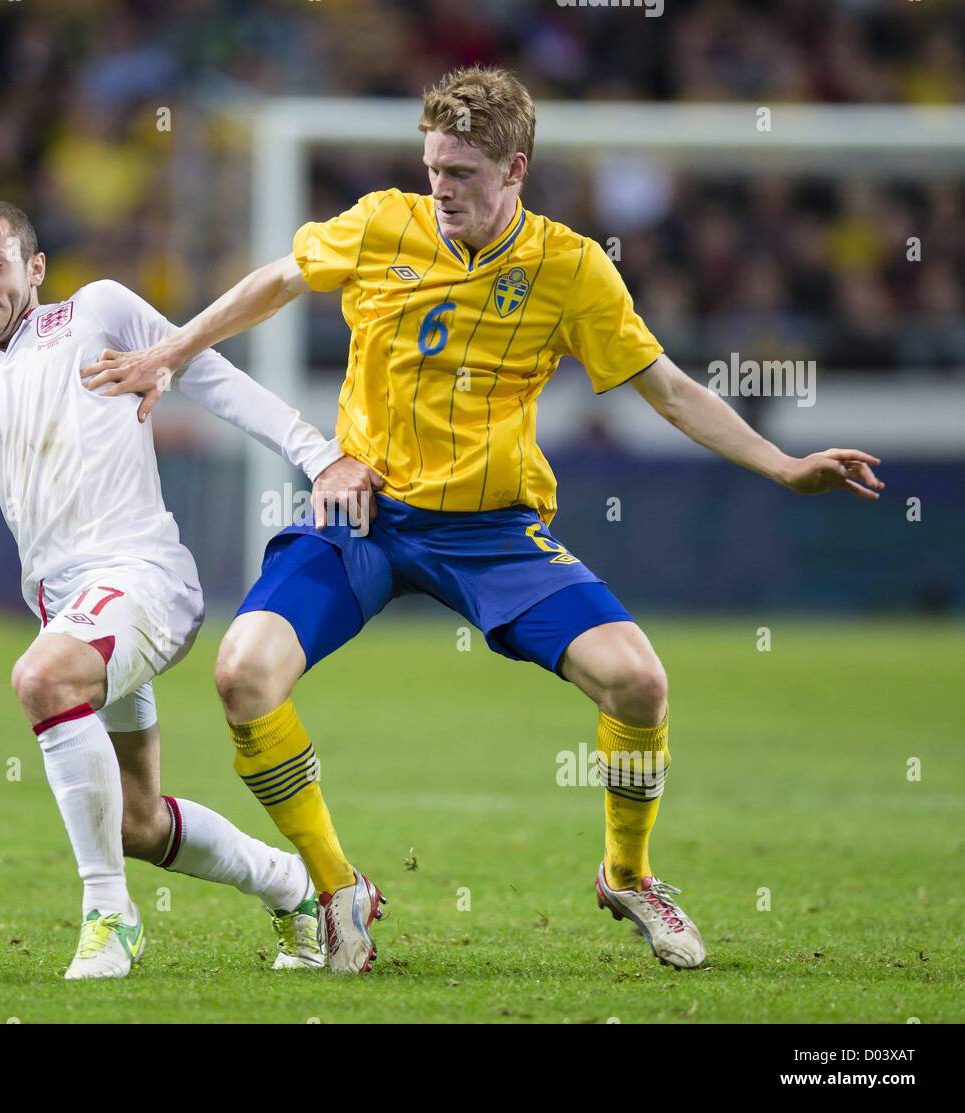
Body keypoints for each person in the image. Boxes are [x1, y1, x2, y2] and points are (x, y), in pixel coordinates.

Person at [82, 67, 884, 974]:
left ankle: (628, 873)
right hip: (366, 515)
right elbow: (278, 279)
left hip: (490, 529)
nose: (441, 188)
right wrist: (172, 351)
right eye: (433, 167)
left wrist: (781, 464)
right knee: (243, 674)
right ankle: (339, 886)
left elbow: (665, 387)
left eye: (463, 173)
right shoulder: (385, 223)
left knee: (639, 684)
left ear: (516, 170)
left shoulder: (572, 267)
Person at [0, 198, 359, 979]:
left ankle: (109, 917)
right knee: (136, 821)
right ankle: (293, 888)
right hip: (82, 614)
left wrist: (316, 451)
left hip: (144, 581)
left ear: (35, 268)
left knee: (41, 676)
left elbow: (211, 377)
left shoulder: (96, 312)